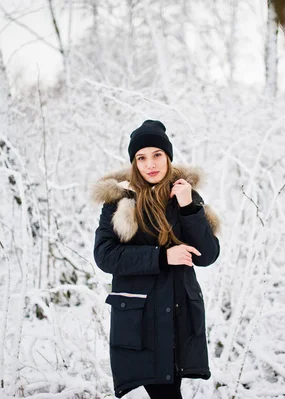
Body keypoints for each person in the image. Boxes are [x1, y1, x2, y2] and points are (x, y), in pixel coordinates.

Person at [92, 120, 221, 398]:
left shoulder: (185, 195)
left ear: (168, 157)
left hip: (178, 316)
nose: (150, 164)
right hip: (141, 321)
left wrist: (188, 208)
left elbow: (208, 255)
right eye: (141, 157)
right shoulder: (119, 202)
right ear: (134, 163)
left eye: (157, 155)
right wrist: (162, 257)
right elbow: (105, 255)